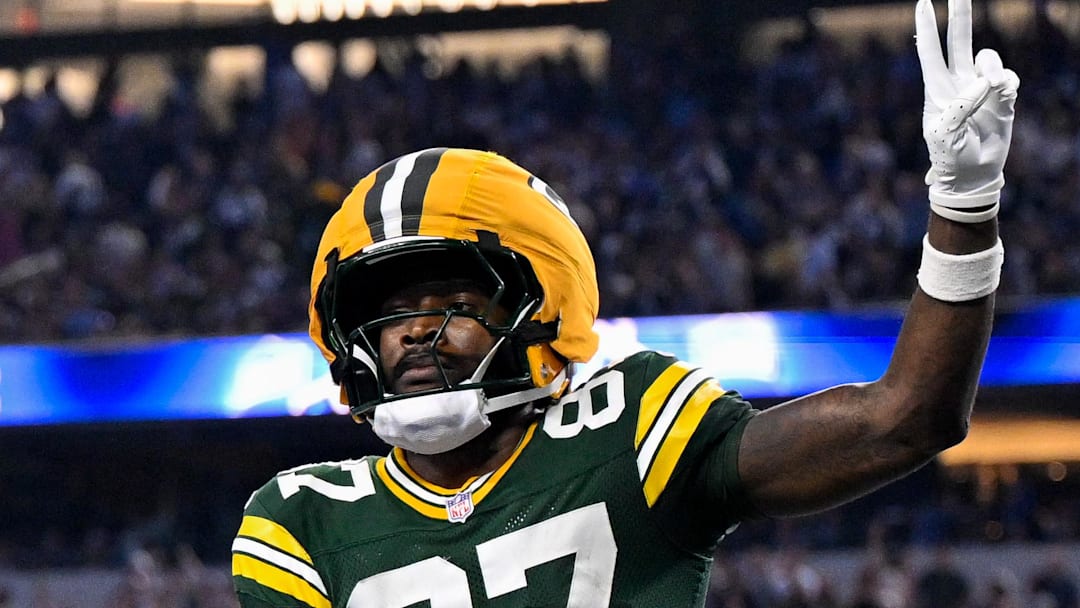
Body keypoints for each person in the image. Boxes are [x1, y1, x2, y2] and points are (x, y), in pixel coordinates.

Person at [231, 0, 1020, 605]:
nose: (413, 333)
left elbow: (910, 417)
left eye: (450, 298)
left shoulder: (629, 429)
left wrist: (963, 204)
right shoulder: (304, 520)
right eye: (391, 312)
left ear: (543, 307)